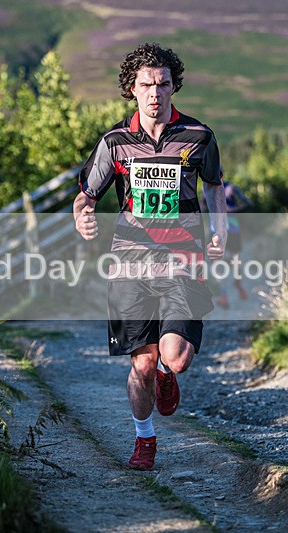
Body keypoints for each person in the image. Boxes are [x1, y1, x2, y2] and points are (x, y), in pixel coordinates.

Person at [73, 43, 227, 471]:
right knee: (140, 364)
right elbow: (85, 196)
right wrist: (82, 218)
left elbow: (215, 187)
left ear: (174, 86)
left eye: (162, 84)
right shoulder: (115, 142)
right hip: (130, 262)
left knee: (175, 356)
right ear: (132, 89)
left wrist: (220, 231)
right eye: (146, 85)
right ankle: (145, 439)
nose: (155, 93)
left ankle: (167, 373)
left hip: (183, 259)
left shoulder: (199, 137)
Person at [212, 173, 253, 309]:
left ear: (221, 175)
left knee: (235, 260)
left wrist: (232, 210)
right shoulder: (207, 189)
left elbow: (248, 203)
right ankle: (223, 295)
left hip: (232, 230)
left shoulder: (231, 188)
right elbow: (202, 206)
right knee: (218, 263)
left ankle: (238, 283)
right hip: (216, 231)